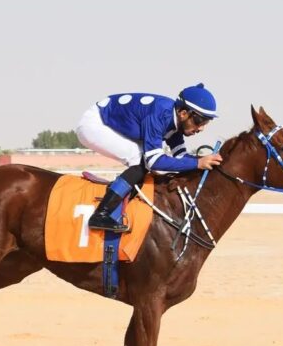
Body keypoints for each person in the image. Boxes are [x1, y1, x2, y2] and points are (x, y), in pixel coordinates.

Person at [74, 83, 224, 233]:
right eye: (199, 121)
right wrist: (197, 163)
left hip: (110, 123)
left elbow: (181, 156)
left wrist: (204, 161)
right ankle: (101, 214)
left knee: (148, 163)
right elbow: (154, 162)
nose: (201, 128)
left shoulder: (175, 123)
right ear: (183, 113)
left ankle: (121, 203)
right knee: (141, 161)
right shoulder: (160, 114)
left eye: (206, 122)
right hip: (95, 124)